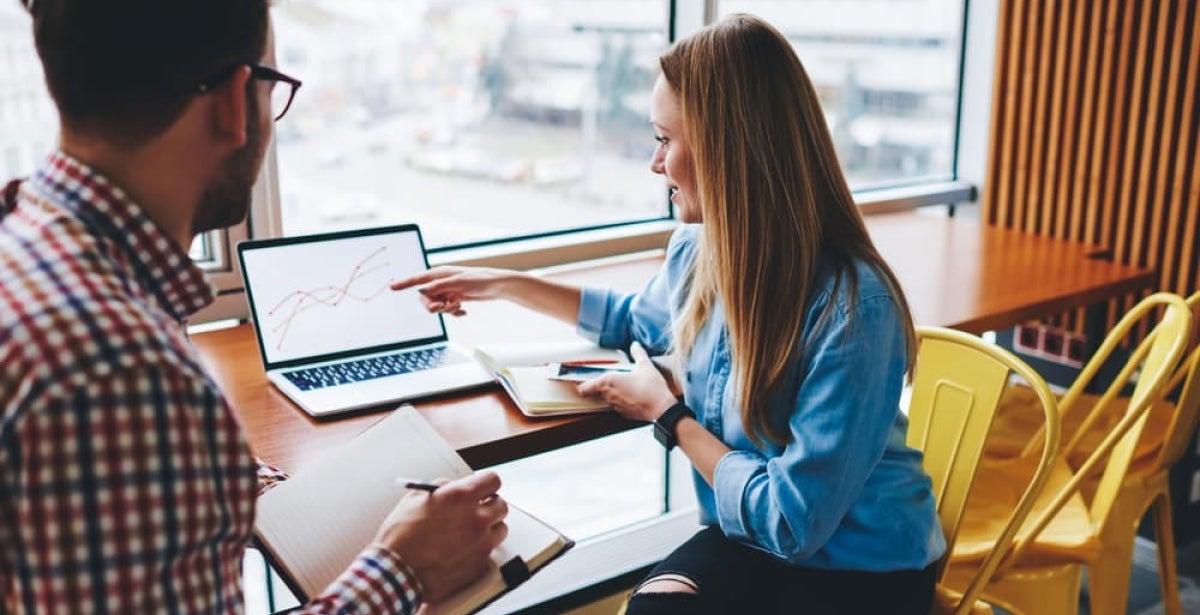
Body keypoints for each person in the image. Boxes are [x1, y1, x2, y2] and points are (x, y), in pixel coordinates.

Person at [391, 13, 944, 615]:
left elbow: (791, 524)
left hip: (863, 567)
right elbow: (639, 321)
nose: (656, 164)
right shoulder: (700, 252)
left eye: (664, 139)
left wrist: (669, 415)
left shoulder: (854, 310)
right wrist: (506, 285)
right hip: (752, 538)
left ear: (728, 151)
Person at [0, 1, 507, 613]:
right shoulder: (122, 371)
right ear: (235, 103)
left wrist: (227, 478)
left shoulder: (29, 248)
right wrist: (404, 568)